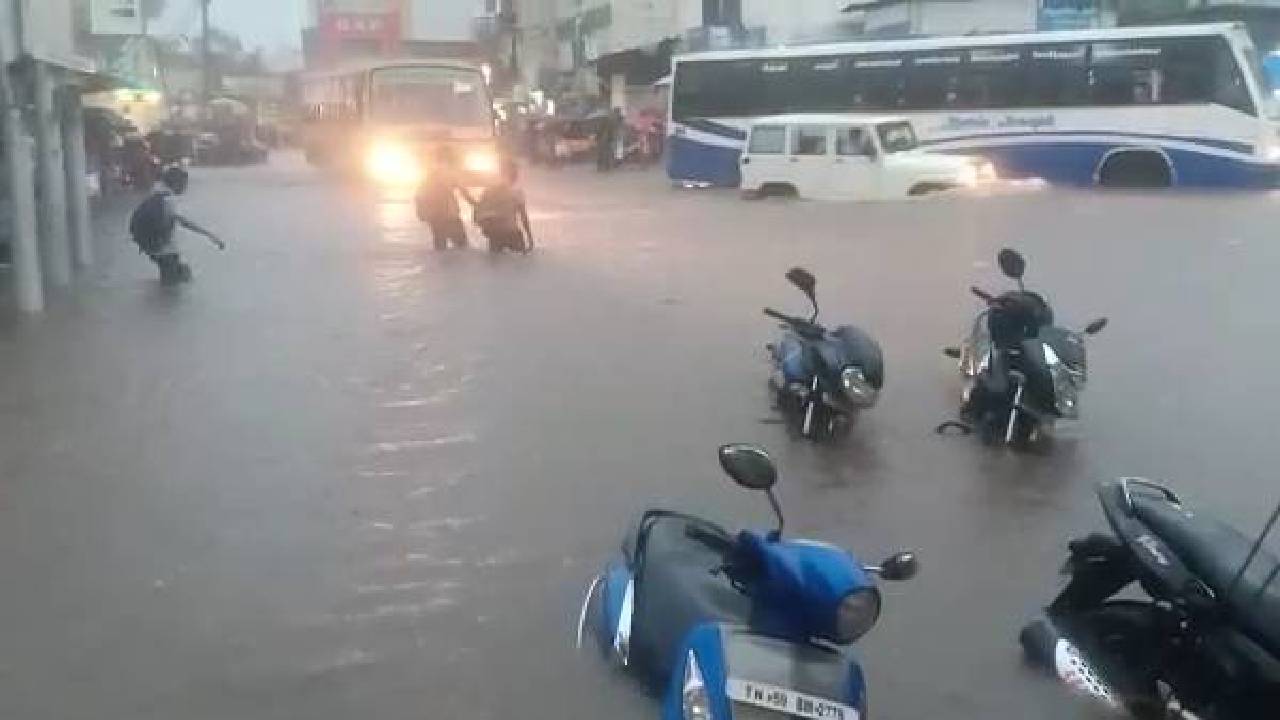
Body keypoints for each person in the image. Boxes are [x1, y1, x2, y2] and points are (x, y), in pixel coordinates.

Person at [128, 165, 225, 285]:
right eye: (184, 183)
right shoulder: (169, 200)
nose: (186, 187)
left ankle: (158, 300)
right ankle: (163, 302)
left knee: (178, 278)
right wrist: (210, 235)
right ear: (176, 183)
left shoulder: (156, 195)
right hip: (167, 252)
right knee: (174, 286)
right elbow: (183, 222)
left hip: (154, 250)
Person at [415, 146, 475, 250]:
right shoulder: (451, 173)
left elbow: (419, 195)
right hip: (449, 215)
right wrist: (478, 205)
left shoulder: (430, 174)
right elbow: (464, 193)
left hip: (434, 217)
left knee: (440, 246)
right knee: (462, 246)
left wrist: (422, 213)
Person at [473, 158, 534, 254]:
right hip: (512, 233)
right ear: (513, 175)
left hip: (495, 234)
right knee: (520, 263)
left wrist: (485, 228)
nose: (517, 175)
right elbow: (524, 218)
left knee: (495, 264)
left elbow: (478, 211)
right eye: (515, 172)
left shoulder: (488, 191)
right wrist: (530, 238)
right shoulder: (516, 192)